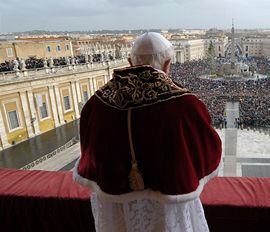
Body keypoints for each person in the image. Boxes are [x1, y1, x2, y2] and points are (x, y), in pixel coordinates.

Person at [73, 32, 222, 232]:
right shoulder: (186, 105)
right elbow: (207, 151)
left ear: (129, 62)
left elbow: (89, 155)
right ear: (168, 63)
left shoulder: (97, 103)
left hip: (117, 207)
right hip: (168, 208)